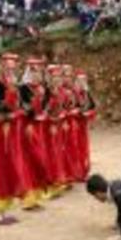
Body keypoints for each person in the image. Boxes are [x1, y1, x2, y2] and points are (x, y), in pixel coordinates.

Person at [0, 53, 29, 223]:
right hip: (3, 132)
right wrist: (11, 111)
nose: (11, 71)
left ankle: (5, 209)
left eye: (13, 68)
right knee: (2, 168)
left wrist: (20, 111)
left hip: (13, 131)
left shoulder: (16, 86)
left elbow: (20, 106)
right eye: (8, 68)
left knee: (12, 166)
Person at [19, 57, 51, 209]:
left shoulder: (42, 88)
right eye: (34, 72)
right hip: (28, 129)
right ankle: (28, 199)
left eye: (39, 72)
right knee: (31, 161)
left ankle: (36, 198)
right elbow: (24, 110)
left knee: (40, 161)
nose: (37, 75)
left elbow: (45, 106)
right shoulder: (23, 89)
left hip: (38, 128)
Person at [44, 65, 71, 198]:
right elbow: (41, 111)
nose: (57, 79)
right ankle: (50, 183)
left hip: (59, 126)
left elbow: (66, 108)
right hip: (48, 128)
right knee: (50, 153)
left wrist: (63, 117)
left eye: (58, 77)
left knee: (59, 152)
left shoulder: (62, 92)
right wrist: (50, 120)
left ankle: (60, 180)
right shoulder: (46, 92)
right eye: (54, 77)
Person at [69, 69, 97, 181]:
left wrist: (88, 114)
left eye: (83, 80)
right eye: (79, 80)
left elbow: (93, 108)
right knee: (75, 148)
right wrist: (76, 112)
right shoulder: (71, 93)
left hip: (83, 125)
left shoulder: (86, 93)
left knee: (84, 148)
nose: (81, 82)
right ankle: (75, 172)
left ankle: (83, 171)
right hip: (74, 125)